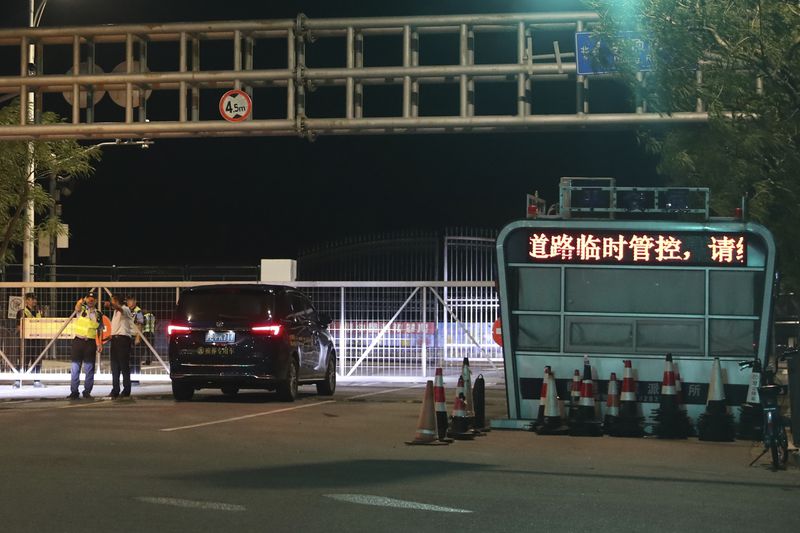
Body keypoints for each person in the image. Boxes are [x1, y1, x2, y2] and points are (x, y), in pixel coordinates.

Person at [68, 292, 104, 400]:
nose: (91, 300)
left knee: (89, 368)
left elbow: (100, 329)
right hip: (78, 341)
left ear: (96, 301)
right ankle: (74, 392)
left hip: (90, 343)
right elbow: (77, 307)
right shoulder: (81, 309)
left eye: (93, 299)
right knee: (75, 368)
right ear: (86, 299)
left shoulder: (99, 314)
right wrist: (81, 301)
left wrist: (100, 343)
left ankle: (87, 391)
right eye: (89, 298)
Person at [105, 294, 134, 399]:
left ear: (117, 301)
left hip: (123, 341)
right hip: (115, 340)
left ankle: (126, 390)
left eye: (113, 300)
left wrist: (111, 305)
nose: (111, 302)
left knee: (124, 366)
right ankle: (115, 390)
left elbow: (119, 308)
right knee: (115, 367)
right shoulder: (115, 312)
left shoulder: (125, 309)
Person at [16, 293, 44, 388]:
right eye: (32, 299)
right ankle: (17, 380)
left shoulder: (39, 312)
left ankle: (36, 381)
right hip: (26, 341)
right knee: (23, 360)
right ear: (27, 300)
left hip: (37, 340)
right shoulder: (22, 312)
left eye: (35, 299)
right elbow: (19, 327)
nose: (34, 301)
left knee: (37, 360)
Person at [126, 295, 145, 373]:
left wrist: (138, 337)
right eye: (128, 300)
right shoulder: (126, 310)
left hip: (134, 337)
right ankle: (128, 377)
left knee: (135, 359)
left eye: (131, 300)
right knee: (128, 359)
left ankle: (135, 378)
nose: (129, 302)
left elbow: (140, 324)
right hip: (127, 336)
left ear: (135, 301)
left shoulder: (138, 311)